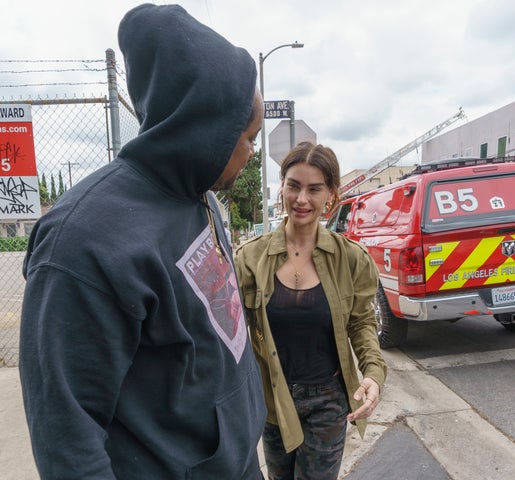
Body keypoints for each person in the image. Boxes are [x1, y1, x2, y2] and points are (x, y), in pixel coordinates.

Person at [19, 4, 266, 479]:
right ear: (206, 125)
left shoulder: (202, 200)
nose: (252, 152)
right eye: (249, 138)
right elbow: (65, 437)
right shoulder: (81, 243)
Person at [236, 142, 387, 479]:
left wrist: (373, 374)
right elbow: (232, 333)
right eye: (294, 186)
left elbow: (362, 322)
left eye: (314, 189)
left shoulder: (350, 258)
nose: (301, 199)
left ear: (331, 195)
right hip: (273, 397)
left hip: (328, 400)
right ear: (282, 188)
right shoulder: (250, 259)